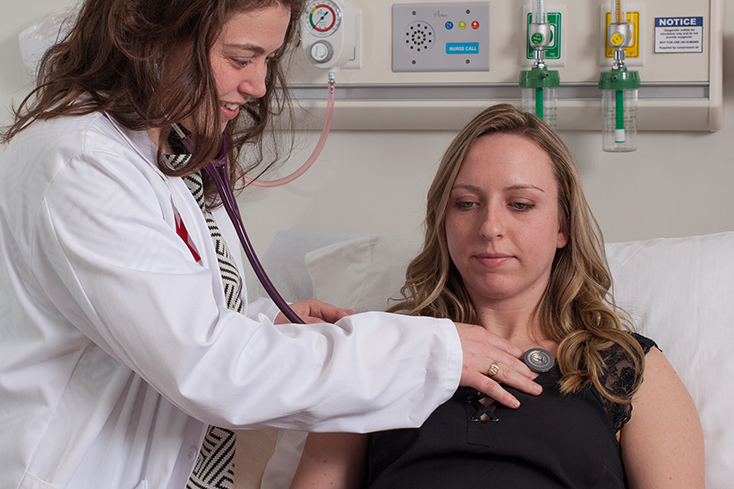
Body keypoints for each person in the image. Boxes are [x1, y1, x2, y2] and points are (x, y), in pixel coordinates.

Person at [0, 0, 541, 489]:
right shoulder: (82, 164)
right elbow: (209, 368)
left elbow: (170, 320)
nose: (256, 85)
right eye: (239, 57)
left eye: (268, 59)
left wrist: (265, 324)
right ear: (155, 32)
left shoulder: (155, 154)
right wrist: (424, 351)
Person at [291, 104, 704, 488]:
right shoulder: (378, 350)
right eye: (467, 203)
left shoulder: (625, 369)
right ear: (443, 222)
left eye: (520, 204)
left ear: (563, 226)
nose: (490, 226)